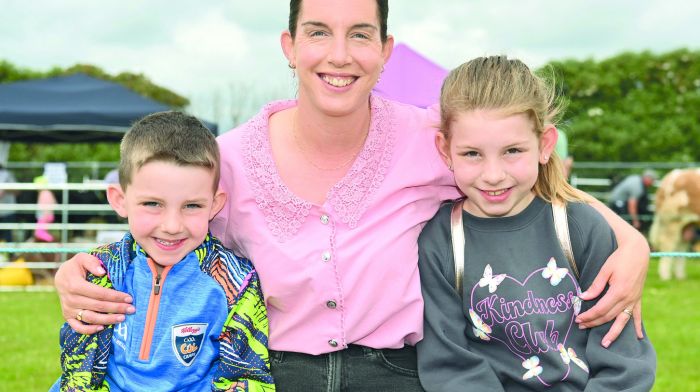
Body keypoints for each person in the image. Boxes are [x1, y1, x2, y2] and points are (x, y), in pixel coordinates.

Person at [54, 1, 652, 390]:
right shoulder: (227, 159)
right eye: (318, 32)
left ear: (386, 51)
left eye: (360, 34)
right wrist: (75, 273)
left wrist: (630, 241)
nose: (339, 54)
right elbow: (161, 221)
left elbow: (538, 187)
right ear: (289, 45)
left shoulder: (433, 140)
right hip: (274, 374)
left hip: (399, 374)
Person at [416, 56, 656, 391]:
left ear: (544, 145)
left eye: (512, 150)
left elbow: (623, 363)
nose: (494, 175)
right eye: (472, 154)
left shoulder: (581, 227)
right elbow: (451, 365)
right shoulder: (440, 241)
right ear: (445, 150)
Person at [51, 111, 273, 391]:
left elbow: (246, 374)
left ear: (215, 205)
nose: (171, 226)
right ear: (120, 200)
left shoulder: (236, 282)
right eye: (152, 204)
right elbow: (80, 366)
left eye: (192, 206)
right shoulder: (101, 271)